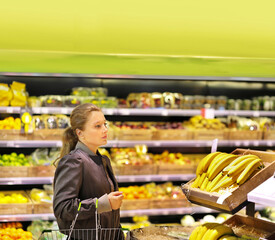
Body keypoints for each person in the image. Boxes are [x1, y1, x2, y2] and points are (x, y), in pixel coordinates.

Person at [53, 103, 124, 240]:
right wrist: (102, 204)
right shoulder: (74, 161)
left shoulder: (103, 160)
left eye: (105, 124)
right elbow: (62, 208)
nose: (105, 130)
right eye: (98, 126)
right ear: (80, 133)